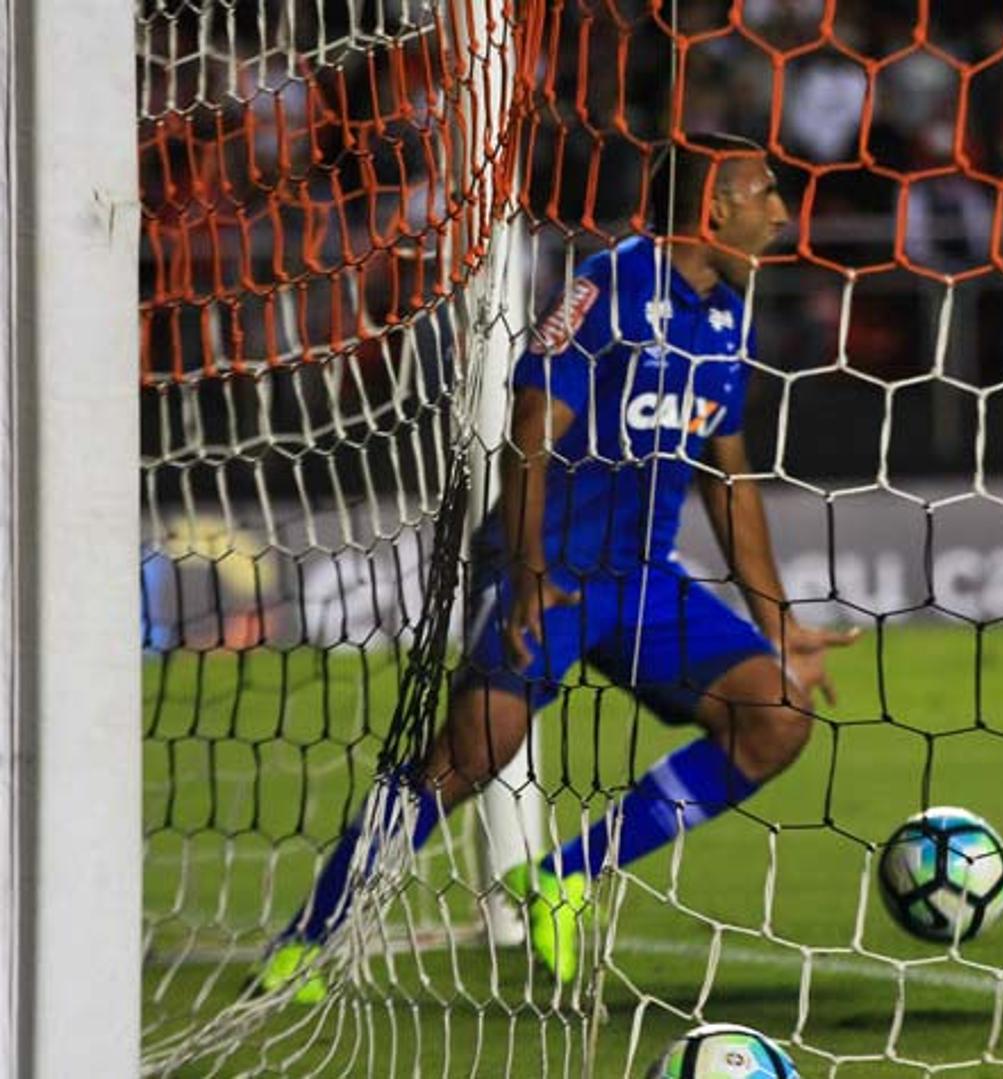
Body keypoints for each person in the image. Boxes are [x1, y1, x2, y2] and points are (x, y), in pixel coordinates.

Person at [256, 133, 857, 1001]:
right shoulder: (611, 282)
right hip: (552, 570)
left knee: (776, 716)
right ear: (713, 207)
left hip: (643, 578)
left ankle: (564, 875)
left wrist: (780, 624)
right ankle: (307, 941)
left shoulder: (727, 316)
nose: (780, 209)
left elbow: (730, 480)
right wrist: (530, 568)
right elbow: (533, 425)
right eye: (764, 191)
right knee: (467, 756)